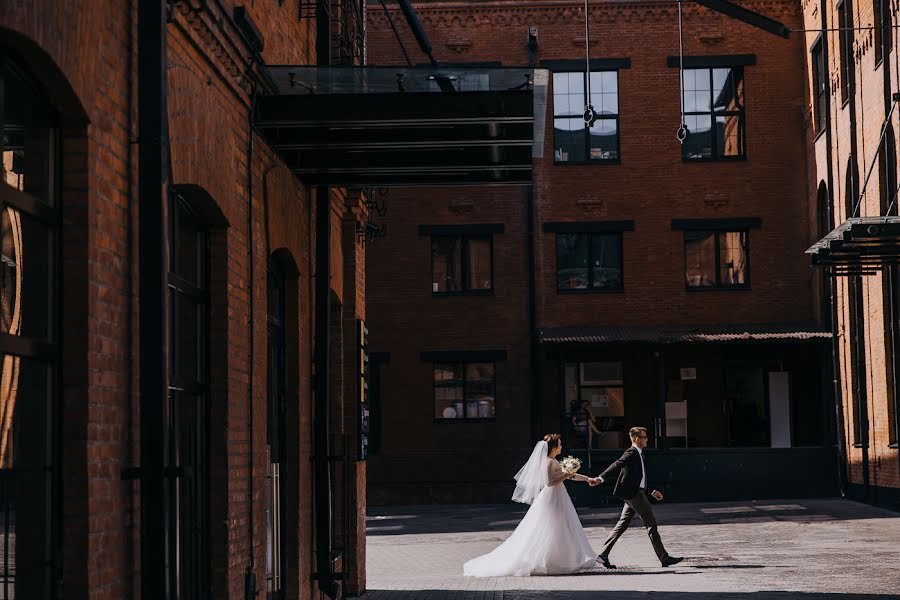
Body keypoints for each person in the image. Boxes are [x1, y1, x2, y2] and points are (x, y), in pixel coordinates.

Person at [463, 434, 597, 577]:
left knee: (559, 526)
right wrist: (566, 474)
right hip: (552, 498)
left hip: (558, 496)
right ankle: (552, 561)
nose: (561, 446)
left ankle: (559, 560)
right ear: (554, 447)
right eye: (559, 444)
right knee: (554, 526)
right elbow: (550, 483)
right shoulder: (548, 462)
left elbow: (570, 476)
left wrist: (588, 479)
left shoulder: (553, 461)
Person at [588, 426, 684, 569]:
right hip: (635, 495)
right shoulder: (631, 453)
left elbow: (639, 477)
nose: (647, 440)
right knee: (651, 525)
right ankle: (664, 558)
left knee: (622, 525)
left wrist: (650, 491)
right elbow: (617, 464)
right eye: (644, 437)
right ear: (637, 439)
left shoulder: (639, 453)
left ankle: (603, 555)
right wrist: (600, 478)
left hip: (634, 493)